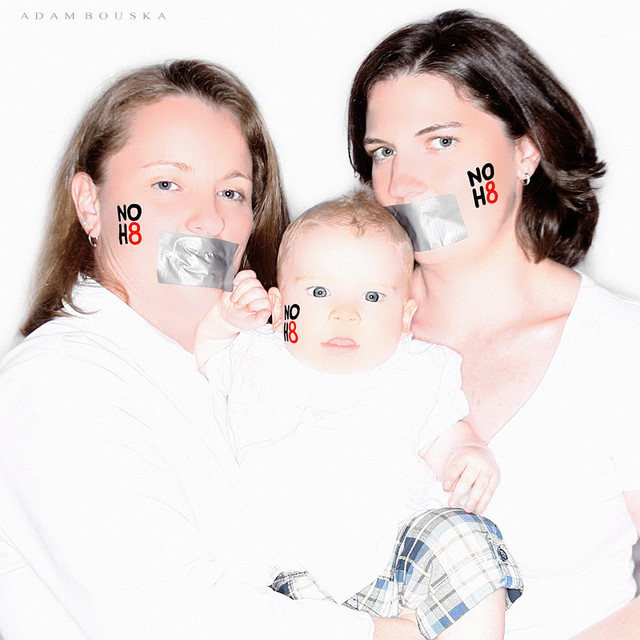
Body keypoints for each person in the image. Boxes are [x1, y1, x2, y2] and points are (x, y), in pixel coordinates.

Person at [0, 60, 413, 640]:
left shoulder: (255, 372)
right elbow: (164, 615)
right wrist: (394, 634)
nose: (208, 219)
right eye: (166, 184)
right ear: (92, 205)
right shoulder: (57, 382)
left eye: (231, 192)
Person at [347, 9, 640, 640]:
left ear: (525, 150)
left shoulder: (620, 349)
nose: (404, 183)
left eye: (441, 142)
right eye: (383, 152)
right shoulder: (336, 329)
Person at [195, 191, 523, 640]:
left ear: (405, 317)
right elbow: (205, 360)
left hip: (397, 563)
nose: (344, 314)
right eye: (318, 292)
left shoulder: (417, 370)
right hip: (289, 574)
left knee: (463, 535)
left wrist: (467, 450)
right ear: (279, 306)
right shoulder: (255, 354)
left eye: (372, 296)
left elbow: (443, 433)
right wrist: (224, 320)